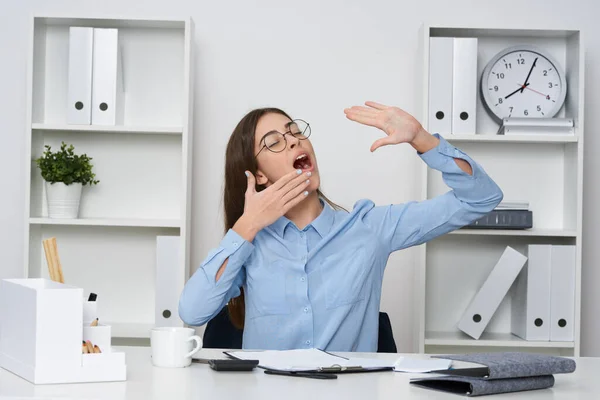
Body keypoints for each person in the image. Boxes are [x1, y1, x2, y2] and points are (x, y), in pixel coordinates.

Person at [178, 101, 503, 352]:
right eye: (275, 141)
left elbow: (482, 198)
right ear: (259, 175)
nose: (293, 141)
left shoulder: (370, 227)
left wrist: (422, 139)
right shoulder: (250, 243)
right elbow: (192, 312)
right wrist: (247, 225)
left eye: (295, 131)